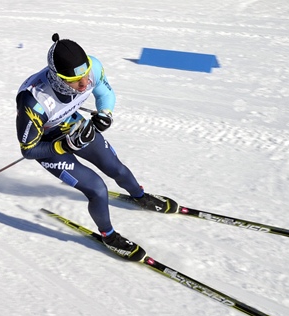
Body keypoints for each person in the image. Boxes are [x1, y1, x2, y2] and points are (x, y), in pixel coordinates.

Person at [15, 33, 177, 261]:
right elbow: (28, 150)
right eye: (75, 81)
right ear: (57, 78)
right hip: (47, 143)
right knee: (97, 189)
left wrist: (105, 114)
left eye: (85, 76)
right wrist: (64, 146)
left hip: (72, 124)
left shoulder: (93, 68)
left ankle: (141, 196)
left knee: (116, 168)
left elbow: (105, 94)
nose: (84, 84)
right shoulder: (33, 102)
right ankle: (109, 236)